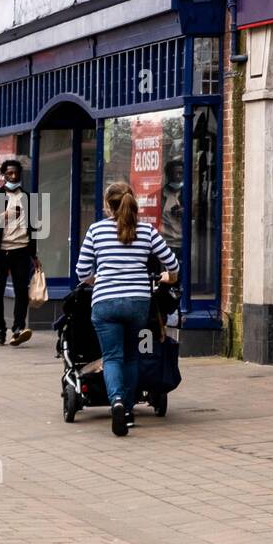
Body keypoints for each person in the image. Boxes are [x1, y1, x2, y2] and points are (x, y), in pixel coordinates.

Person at [74, 180, 179, 437]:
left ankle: (117, 401)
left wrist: (96, 279)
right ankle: (129, 411)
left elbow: (81, 271)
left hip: (105, 302)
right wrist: (170, 277)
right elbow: (172, 264)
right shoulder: (147, 231)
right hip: (137, 303)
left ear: (108, 206)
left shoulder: (96, 231)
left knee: (112, 357)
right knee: (132, 356)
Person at [0, 157, 39, 346]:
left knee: (22, 291)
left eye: (16, 173)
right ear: (3, 175)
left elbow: (33, 229)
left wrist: (34, 255)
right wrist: (2, 217)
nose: (14, 176)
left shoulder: (29, 198)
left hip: (21, 251)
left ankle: (18, 328)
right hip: (0, 253)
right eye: (10, 173)